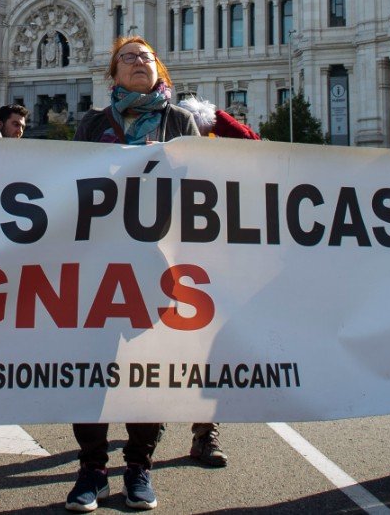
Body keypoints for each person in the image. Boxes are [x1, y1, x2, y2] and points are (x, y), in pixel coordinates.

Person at [65, 36, 198, 513]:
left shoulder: (178, 121)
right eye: (128, 58)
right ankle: (92, 469)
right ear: (112, 73)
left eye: (146, 57)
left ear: (158, 68)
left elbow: (198, 188)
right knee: (89, 370)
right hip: (99, 267)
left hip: (156, 267)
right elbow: (69, 188)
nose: (138, 63)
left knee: (149, 372)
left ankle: (139, 466)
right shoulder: (93, 124)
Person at [174, 94, 262, 469]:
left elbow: (254, 147)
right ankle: (148, 428)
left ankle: (204, 433)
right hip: (165, 263)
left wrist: (214, 117)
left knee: (209, 354)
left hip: (212, 269)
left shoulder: (223, 158)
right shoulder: (167, 151)